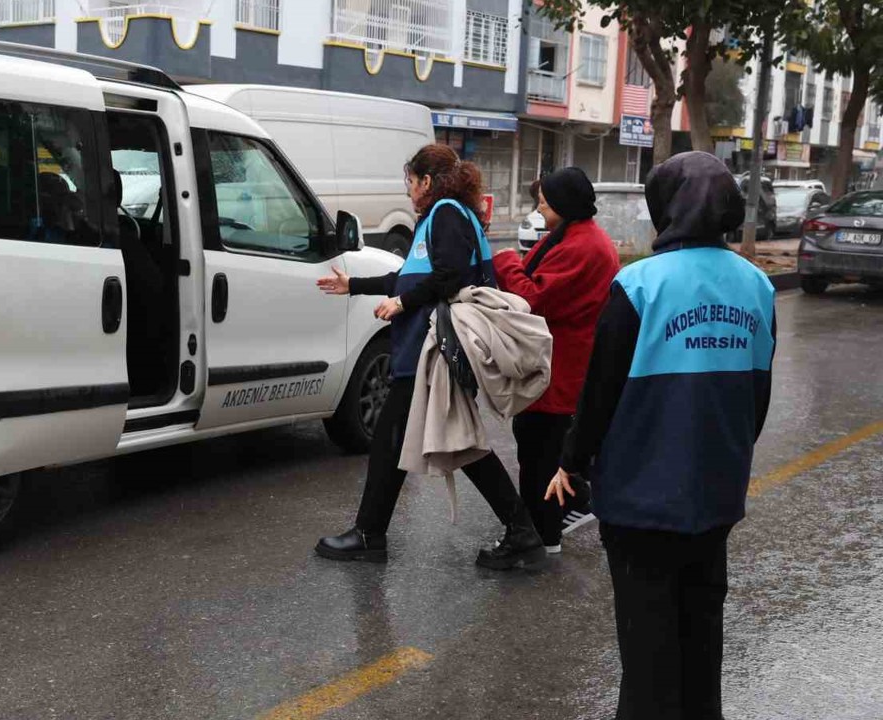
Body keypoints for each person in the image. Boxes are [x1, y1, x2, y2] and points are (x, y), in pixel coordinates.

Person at [546, 151, 777, 719]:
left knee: (648, 651)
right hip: (716, 494)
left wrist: (571, 461)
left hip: (641, 502)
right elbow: (757, 399)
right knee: (701, 638)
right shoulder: (757, 286)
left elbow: (599, 395)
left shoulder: (639, 285)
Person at [313, 144, 545, 570]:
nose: (408, 191)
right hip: (423, 350)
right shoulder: (440, 217)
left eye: (410, 182)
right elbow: (409, 278)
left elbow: (449, 277)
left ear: (426, 181)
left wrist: (401, 304)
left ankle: (372, 535)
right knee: (419, 440)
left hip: (431, 351)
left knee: (418, 439)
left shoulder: (447, 214)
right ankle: (517, 530)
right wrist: (355, 286)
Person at [492, 168, 620, 553]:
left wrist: (504, 261)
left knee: (541, 455)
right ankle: (562, 512)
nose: (539, 210)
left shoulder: (583, 245)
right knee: (540, 447)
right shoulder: (574, 234)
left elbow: (533, 297)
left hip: (560, 367)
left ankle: (543, 536)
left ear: (565, 205)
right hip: (557, 363)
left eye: (544, 204)